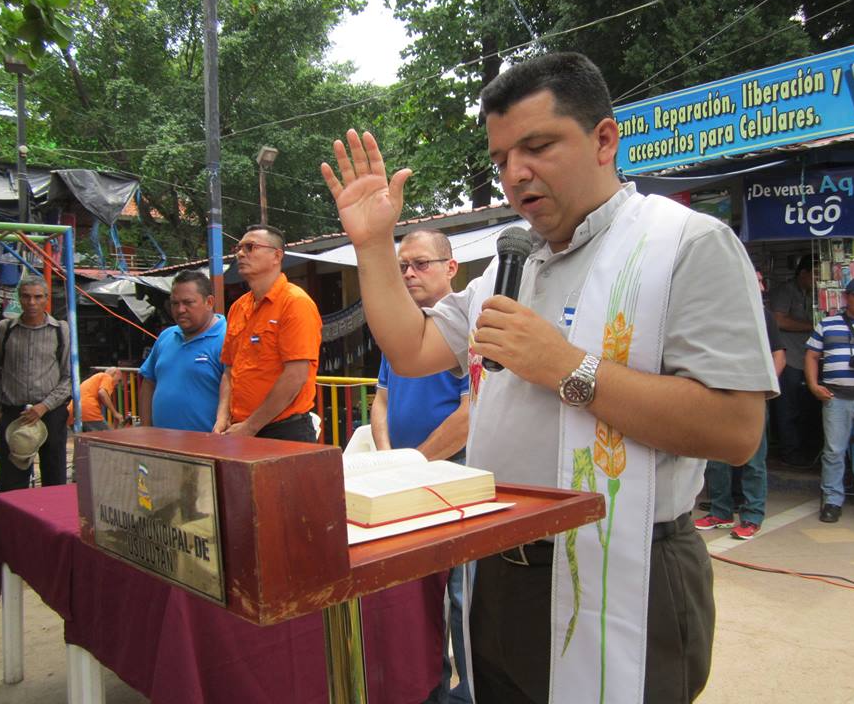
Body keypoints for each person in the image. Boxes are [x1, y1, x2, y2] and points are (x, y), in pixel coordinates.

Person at [322, 52, 776, 704]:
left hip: (630, 567)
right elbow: (414, 344)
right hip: (501, 569)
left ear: (604, 138)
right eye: (502, 158)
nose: (515, 173)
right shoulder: (513, 262)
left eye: (537, 146)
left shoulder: (688, 244)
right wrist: (371, 244)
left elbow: (736, 428)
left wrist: (567, 368)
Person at [370, 228, 472, 704]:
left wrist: (413, 462)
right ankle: (429, 689)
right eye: (402, 265)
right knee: (412, 599)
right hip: (404, 478)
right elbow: (381, 400)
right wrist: (389, 457)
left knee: (461, 596)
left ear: (451, 267)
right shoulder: (402, 330)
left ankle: (468, 693)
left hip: (452, 475)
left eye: (421, 263)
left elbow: (472, 414)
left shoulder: (468, 325)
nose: (409, 273)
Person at [695, 270, 787, 540]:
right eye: (755, 280)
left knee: (754, 461)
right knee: (716, 460)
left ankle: (752, 516)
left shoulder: (763, 316)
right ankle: (721, 512)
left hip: (751, 397)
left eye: (761, 281)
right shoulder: (716, 315)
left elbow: (778, 356)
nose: (760, 286)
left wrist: (764, 389)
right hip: (718, 396)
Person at [214, 225, 322, 442]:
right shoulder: (238, 307)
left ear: (276, 256)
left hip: (283, 430)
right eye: (239, 247)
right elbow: (229, 370)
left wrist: (250, 427)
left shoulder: (295, 303)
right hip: (240, 429)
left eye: (250, 247)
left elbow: (296, 376)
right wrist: (222, 417)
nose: (241, 253)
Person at [0, 275, 71, 492]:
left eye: (38, 297)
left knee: (54, 479)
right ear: (19, 298)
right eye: (27, 297)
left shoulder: (60, 329)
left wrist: (44, 406)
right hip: (13, 413)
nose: (32, 303)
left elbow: (68, 377)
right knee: (12, 484)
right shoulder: (4, 329)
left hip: (50, 412)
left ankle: (51, 524)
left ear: (46, 299)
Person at [804, 277, 854, 527]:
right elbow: (812, 355)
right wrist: (814, 386)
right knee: (833, 452)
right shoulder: (827, 324)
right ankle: (832, 501)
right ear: (847, 297)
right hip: (836, 398)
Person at [139, 270, 226, 432]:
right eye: (174, 303)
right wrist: (145, 430)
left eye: (188, 302)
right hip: (163, 447)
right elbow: (148, 382)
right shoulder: (166, 337)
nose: (180, 310)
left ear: (209, 302)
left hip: (209, 448)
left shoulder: (228, 338)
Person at [770, 260, 816, 468]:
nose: (817, 279)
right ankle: (789, 451)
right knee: (787, 409)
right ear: (803, 273)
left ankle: (805, 448)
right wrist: (813, 326)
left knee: (804, 408)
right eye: (814, 273)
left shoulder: (810, 295)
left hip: (806, 358)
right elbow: (778, 320)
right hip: (789, 359)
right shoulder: (786, 291)